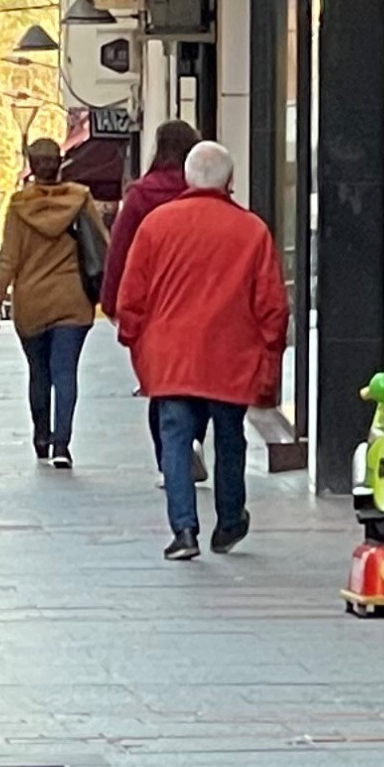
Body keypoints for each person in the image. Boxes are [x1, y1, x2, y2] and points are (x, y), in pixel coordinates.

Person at [114, 138, 284, 560]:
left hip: (171, 357)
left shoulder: (156, 225)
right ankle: (229, 522)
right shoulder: (252, 231)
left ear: (188, 178)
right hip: (231, 356)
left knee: (175, 439)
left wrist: (134, 339)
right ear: (230, 180)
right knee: (230, 439)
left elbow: (130, 297)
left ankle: (183, 530)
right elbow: (272, 306)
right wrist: (269, 357)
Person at [0, 134, 107, 469]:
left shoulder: (21, 206)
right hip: (73, 300)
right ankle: (62, 445)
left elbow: (9, 258)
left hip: (31, 301)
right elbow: (101, 245)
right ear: (60, 162)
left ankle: (41, 437)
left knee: (39, 372)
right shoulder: (80, 199)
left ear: (32, 166)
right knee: (65, 372)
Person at [101, 118, 199, 388]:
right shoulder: (203, 192)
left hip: (152, 299)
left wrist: (111, 301)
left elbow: (119, 250)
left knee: (162, 379)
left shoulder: (141, 195)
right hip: (197, 295)